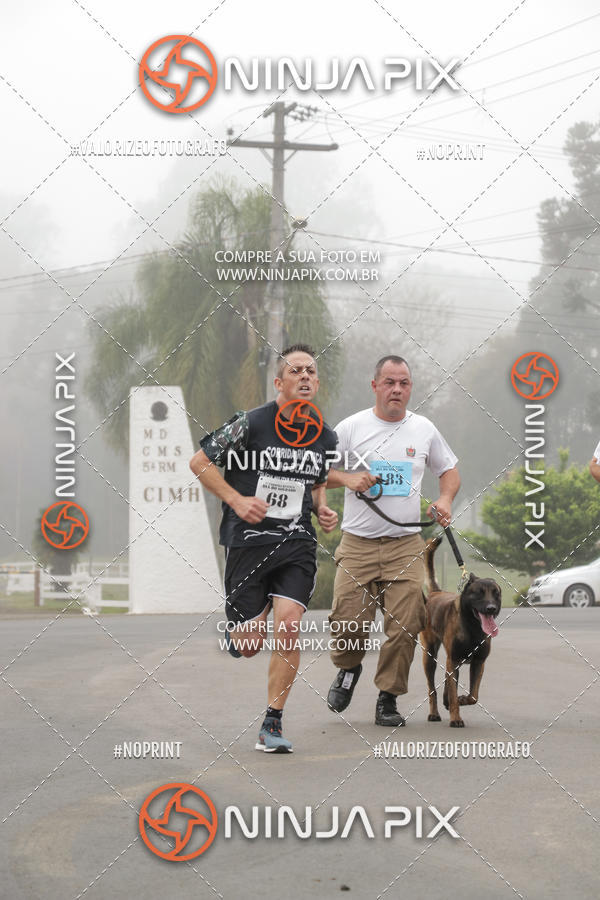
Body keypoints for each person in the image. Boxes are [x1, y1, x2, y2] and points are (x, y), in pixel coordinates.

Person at [189, 344, 337, 753]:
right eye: (296, 370)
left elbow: (317, 482)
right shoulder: (249, 424)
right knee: (250, 645)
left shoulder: (325, 435)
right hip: (248, 543)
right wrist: (236, 500)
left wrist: (322, 509)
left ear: (317, 382)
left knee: (289, 626)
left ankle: (272, 722)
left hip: (296, 543)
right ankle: (244, 629)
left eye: (310, 371)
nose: (304, 376)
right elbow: (199, 462)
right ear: (279, 381)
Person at [325, 355, 460, 726]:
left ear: (410, 387)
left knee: (405, 626)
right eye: (389, 382)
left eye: (404, 383)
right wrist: (349, 479)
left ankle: (388, 698)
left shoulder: (424, 429)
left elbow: (448, 469)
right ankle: (348, 669)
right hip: (358, 544)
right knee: (348, 623)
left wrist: (445, 499)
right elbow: (319, 469)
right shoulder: (351, 428)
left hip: (405, 545)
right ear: (375, 386)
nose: (396, 389)